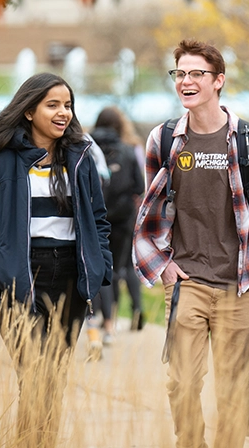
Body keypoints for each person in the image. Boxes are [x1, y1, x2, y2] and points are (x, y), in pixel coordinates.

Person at [133, 39, 249, 448]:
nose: (186, 81)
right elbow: (148, 210)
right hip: (187, 283)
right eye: (180, 74)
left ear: (218, 81)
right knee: (181, 384)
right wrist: (163, 265)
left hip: (240, 287)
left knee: (233, 391)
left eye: (196, 74)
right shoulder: (164, 140)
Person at [0, 72, 112, 448]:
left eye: (68, 105)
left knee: (53, 377)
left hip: (69, 280)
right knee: (34, 374)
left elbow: (99, 220)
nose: (64, 112)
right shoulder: (0, 160)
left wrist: (100, 267)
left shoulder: (81, 158)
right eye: (53, 105)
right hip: (19, 278)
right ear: (30, 111)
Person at [89, 106, 145, 344]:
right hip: (123, 220)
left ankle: (102, 321)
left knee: (97, 269)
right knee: (119, 269)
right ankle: (125, 316)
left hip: (95, 219)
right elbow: (140, 187)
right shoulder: (129, 149)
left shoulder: (86, 148)